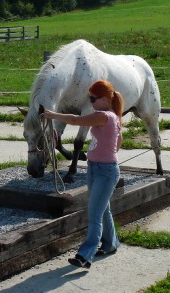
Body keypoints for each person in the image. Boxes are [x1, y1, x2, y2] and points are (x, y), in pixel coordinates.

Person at [42, 80, 123, 269]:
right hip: (96, 168)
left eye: (93, 99)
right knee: (103, 210)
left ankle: (85, 255)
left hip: (105, 171)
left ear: (104, 99)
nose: (91, 102)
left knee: (94, 214)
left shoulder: (105, 116)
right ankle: (111, 244)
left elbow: (76, 120)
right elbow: (118, 141)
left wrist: (52, 115)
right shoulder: (112, 116)